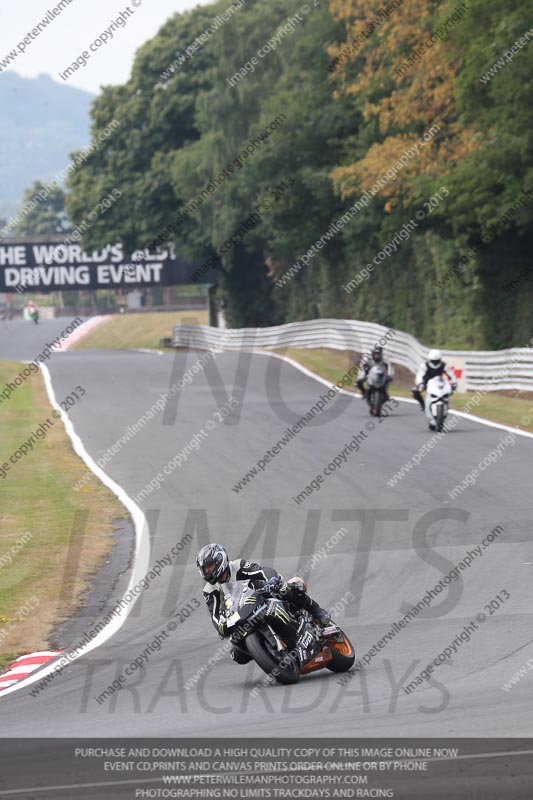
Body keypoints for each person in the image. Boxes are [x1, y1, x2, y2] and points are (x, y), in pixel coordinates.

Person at [196, 543, 332, 665]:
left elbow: (262, 571)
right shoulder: (209, 590)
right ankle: (268, 651)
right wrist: (221, 626)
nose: (207, 571)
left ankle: (317, 611)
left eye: (209, 566)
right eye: (204, 568)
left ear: (220, 560)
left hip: (262, 593)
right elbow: (214, 615)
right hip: (240, 611)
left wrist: (271, 581)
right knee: (237, 655)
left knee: (284, 589)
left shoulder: (237, 566)